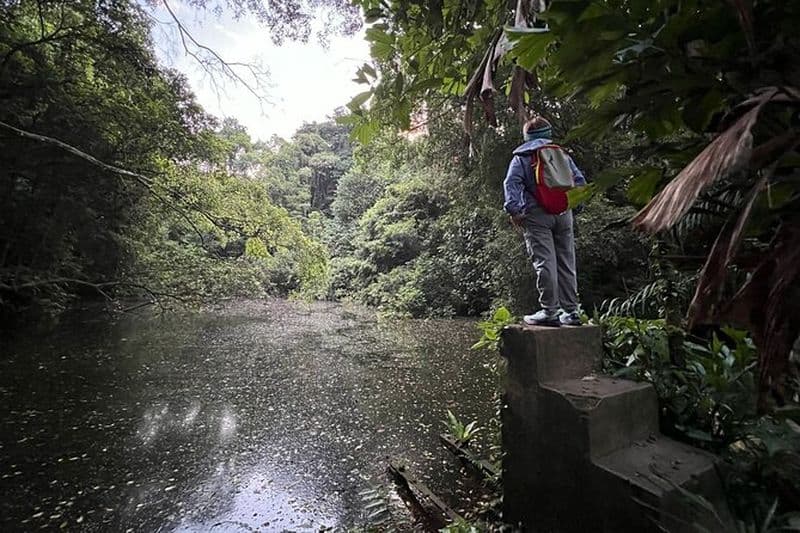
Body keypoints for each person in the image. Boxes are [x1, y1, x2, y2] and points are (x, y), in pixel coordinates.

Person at [503, 116, 586, 327]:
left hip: (536, 215)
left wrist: (515, 211)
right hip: (563, 213)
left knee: (545, 262)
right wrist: (575, 205)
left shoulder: (522, 156)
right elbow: (579, 182)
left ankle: (550, 311)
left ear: (527, 135)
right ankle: (571, 312)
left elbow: (512, 183)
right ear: (548, 133)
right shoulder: (561, 154)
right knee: (567, 261)